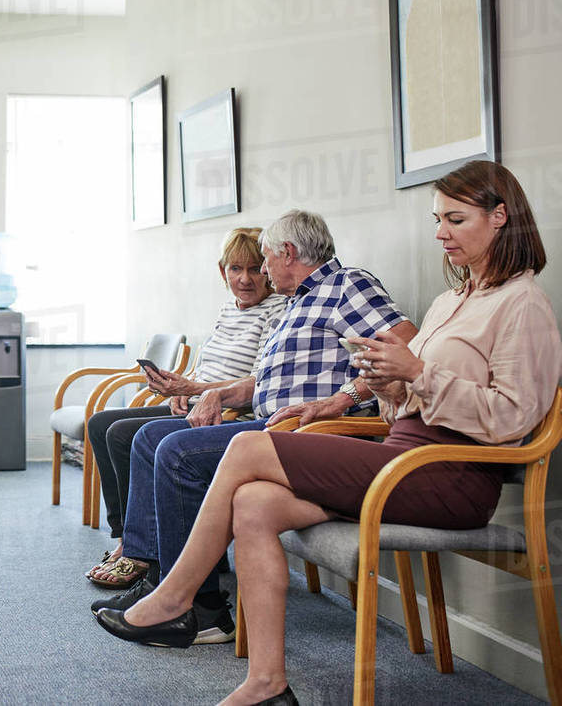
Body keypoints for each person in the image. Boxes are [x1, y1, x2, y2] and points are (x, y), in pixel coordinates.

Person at [96, 161, 562, 706]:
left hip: (449, 477)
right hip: (401, 455)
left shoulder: (523, 304)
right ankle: (266, 685)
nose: (440, 233)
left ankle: (176, 597)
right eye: (439, 219)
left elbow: (515, 420)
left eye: (455, 219)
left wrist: (416, 373)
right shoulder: (450, 301)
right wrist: (385, 387)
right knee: (253, 502)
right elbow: (412, 403)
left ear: (501, 217)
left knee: (247, 445)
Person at [90, 210, 417, 646]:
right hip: (269, 423)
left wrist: (343, 399)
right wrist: (217, 395)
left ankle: (203, 611)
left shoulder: (347, 285)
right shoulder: (297, 302)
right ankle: (163, 585)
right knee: (151, 437)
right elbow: (264, 384)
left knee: (176, 451)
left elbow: (408, 346)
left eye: (264, 260)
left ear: (288, 253)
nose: (260, 271)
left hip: (314, 433)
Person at [87, 227, 287, 588]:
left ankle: (141, 551)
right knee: (102, 424)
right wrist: (182, 386)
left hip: (226, 412)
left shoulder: (275, 311)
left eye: (255, 269)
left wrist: (194, 388)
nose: (245, 279)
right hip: (195, 402)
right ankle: (127, 539)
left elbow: (257, 380)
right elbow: (210, 364)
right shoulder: (228, 310)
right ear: (222, 271)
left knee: (126, 435)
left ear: (269, 272)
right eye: (235, 269)